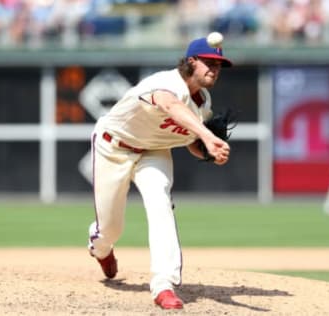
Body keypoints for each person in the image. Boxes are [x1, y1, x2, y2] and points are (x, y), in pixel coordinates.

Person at [87, 33, 232, 310]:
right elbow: (169, 105)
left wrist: (208, 150)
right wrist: (208, 135)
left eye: (219, 64)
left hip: (153, 152)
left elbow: (190, 141)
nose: (215, 69)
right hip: (113, 147)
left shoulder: (204, 104)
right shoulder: (166, 82)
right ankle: (101, 248)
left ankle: (163, 285)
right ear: (191, 62)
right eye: (209, 62)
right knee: (110, 228)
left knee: (160, 201)